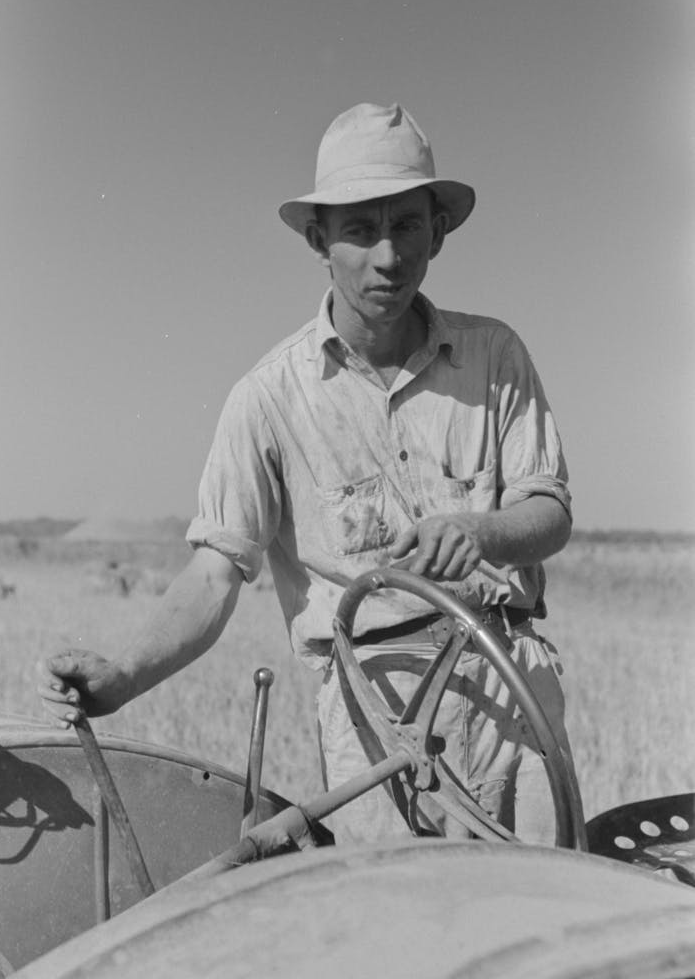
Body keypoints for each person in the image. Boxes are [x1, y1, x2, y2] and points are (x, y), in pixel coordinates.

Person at [37, 102, 581, 845]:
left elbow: (549, 509)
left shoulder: (496, 356)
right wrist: (123, 678)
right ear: (318, 239)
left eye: (407, 226)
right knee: (383, 916)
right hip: (374, 719)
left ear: (438, 232)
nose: (387, 256)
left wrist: (480, 532)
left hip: (511, 696)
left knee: (550, 909)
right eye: (359, 229)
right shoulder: (268, 399)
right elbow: (213, 575)